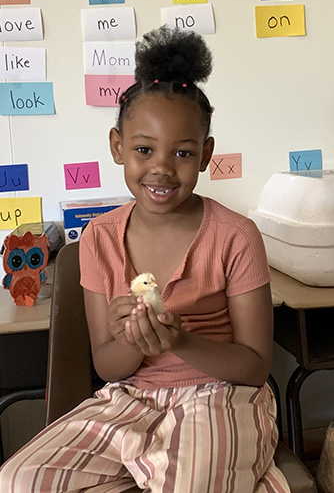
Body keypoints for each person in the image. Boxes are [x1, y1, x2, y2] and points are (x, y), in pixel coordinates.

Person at [0, 26, 289, 493]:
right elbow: (109, 366)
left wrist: (179, 340)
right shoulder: (99, 238)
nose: (161, 167)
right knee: (19, 480)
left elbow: (255, 366)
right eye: (143, 150)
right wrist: (134, 339)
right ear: (118, 147)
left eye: (182, 152)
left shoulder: (236, 236)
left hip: (218, 397)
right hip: (131, 400)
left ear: (205, 155)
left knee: (189, 483)